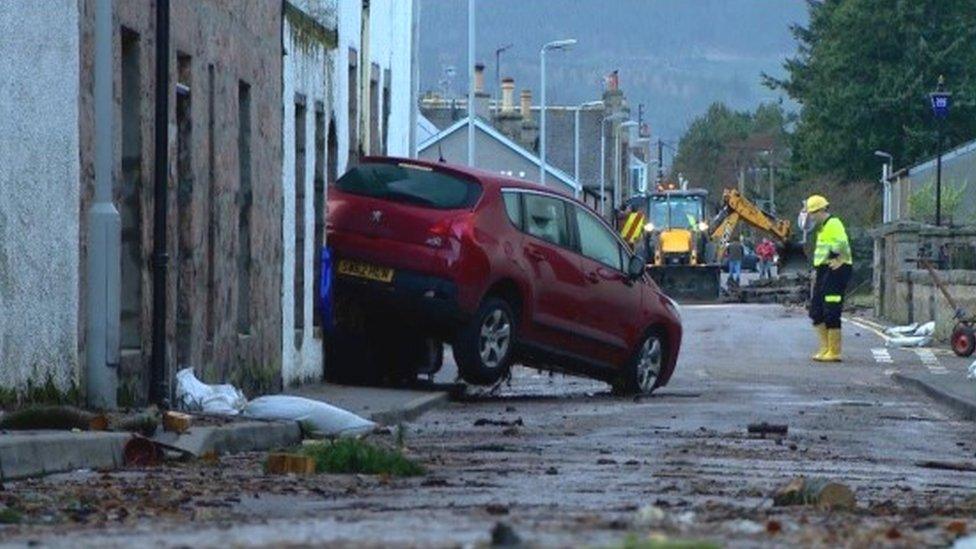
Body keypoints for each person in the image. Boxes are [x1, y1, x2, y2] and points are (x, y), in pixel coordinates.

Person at [803, 194, 852, 362]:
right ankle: (825, 348)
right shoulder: (823, 227)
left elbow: (842, 244)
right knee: (816, 311)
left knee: (831, 309)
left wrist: (841, 259)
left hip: (835, 270)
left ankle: (834, 351)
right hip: (825, 270)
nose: (810, 217)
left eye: (812, 213)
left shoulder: (834, 224)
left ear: (820, 210)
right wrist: (817, 270)